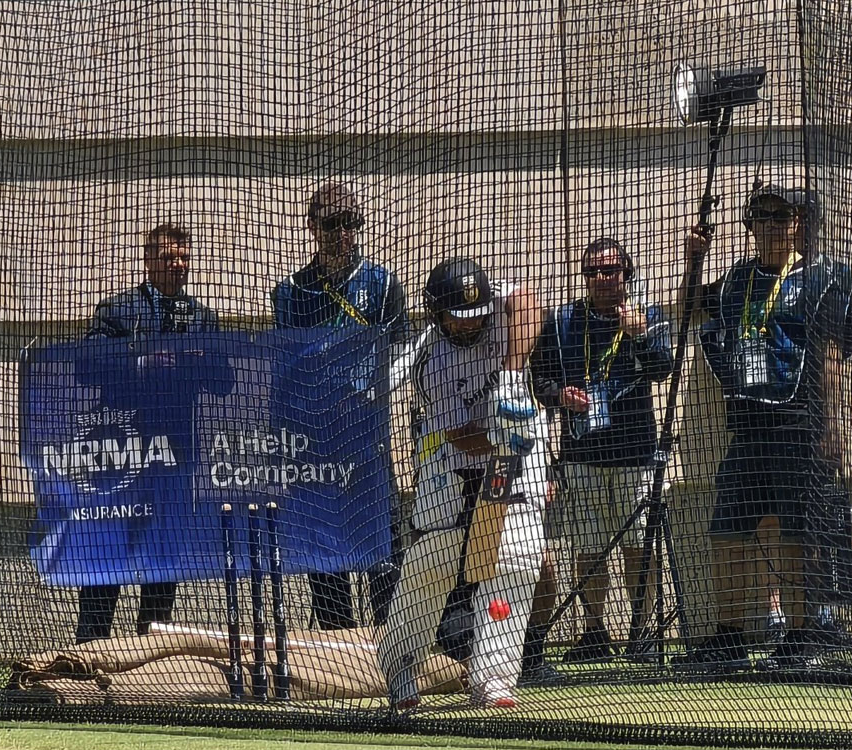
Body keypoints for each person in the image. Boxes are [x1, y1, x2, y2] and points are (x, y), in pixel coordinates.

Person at [680, 183, 852, 670]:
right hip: (747, 424)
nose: (768, 226)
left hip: (797, 424)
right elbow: (690, 308)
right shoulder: (739, 278)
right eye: (758, 217)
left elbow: (832, 356)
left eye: (779, 216)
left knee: (796, 533)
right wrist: (695, 258)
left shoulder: (827, 278)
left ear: (801, 223)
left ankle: (802, 635)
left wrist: (831, 425)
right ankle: (729, 635)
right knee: (727, 532)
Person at [380, 257, 547, 709]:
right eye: (458, 316)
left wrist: (512, 376)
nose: (470, 324)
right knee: (432, 563)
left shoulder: (498, 307)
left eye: (476, 315)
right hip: (451, 464)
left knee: (516, 556)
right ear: (437, 312)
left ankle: (493, 679)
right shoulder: (428, 360)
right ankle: (401, 670)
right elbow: (463, 438)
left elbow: (531, 302)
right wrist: (496, 428)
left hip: (511, 461)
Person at [271, 182, 408, 631]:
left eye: (353, 223)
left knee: (382, 549)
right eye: (333, 224)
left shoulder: (382, 284)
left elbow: (401, 355)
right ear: (312, 227)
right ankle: (336, 642)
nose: (344, 233)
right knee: (325, 549)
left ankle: (389, 642)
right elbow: (285, 362)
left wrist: (364, 388)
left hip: (367, 438)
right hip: (314, 440)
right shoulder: (291, 291)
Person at [76, 223, 221, 644]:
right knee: (108, 552)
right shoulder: (119, 310)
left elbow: (225, 379)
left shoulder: (201, 317)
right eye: (168, 257)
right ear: (148, 261)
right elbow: (87, 366)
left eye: (183, 257)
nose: (178, 265)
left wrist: (196, 361)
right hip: (120, 454)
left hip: (174, 454)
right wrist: (144, 362)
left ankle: (150, 650)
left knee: (164, 556)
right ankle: (92, 645)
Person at [530, 237, 672, 662]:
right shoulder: (563, 321)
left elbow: (663, 368)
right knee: (588, 547)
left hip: (635, 452)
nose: (602, 279)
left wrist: (641, 336)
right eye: (593, 272)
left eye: (610, 270)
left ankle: (641, 631)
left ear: (627, 273)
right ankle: (594, 631)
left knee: (637, 545)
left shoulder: (647, 315)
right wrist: (561, 396)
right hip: (582, 454)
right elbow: (541, 382)